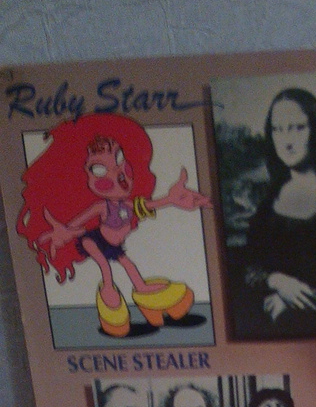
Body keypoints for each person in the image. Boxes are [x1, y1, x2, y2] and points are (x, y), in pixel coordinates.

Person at [17, 112, 209, 338]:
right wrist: (65, 232)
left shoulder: (128, 204)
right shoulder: (101, 206)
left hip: (114, 244)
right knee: (106, 270)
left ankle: (148, 297)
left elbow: (150, 204)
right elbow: (77, 224)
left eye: (120, 160)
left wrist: (171, 199)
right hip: (94, 241)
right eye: (99, 169)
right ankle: (113, 315)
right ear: (83, 178)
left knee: (129, 266)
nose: (117, 174)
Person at [235, 87, 316, 339]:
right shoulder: (266, 204)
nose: (286, 140)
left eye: (297, 128)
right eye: (277, 129)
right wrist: (277, 281)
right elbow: (249, 270)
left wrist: (292, 301)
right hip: (270, 329)